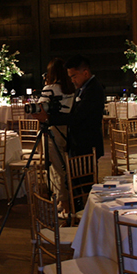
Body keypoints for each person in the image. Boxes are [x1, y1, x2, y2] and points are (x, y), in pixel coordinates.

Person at [34, 56, 105, 213]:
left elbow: (79, 117)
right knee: (77, 179)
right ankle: (78, 212)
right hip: (78, 141)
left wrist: (50, 118)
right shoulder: (82, 88)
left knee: (85, 182)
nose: (72, 80)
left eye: (74, 76)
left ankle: (86, 215)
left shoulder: (93, 89)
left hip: (87, 142)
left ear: (85, 72)